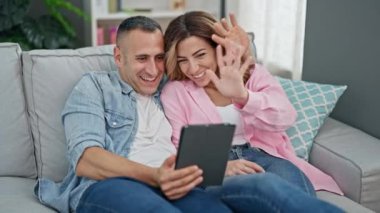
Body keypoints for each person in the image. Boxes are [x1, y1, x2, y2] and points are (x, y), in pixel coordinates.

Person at [34, 15, 343, 213]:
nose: (153, 69)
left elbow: (215, 64)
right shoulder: (94, 87)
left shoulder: (170, 83)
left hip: (184, 179)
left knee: (249, 197)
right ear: (118, 56)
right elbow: (87, 159)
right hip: (118, 183)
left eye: (159, 58)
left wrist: (242, 50)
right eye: (141, 58)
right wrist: (157, 175)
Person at [161, 10, 344, 206]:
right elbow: (179, 147)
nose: (193, 68)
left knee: (296, 197)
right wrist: (221, 167)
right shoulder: (175, 92)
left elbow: (285, 118)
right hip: (215, 165)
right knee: (264, 189)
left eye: (200, 55)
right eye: (183, 61)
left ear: (218, 47)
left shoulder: (251, 73)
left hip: (263, 156)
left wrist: (243, 96)